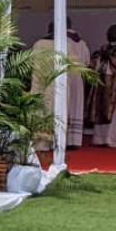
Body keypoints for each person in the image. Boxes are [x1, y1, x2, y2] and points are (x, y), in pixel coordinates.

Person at [31, 18, 90, 149]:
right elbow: (79, 64)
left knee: (41, 112)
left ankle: (41, 144)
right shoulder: (69, 45)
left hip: (41, 83)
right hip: (61, 84)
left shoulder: (38, 44)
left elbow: (31, 63)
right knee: (60, 113)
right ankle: (61, 143)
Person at [87, 24, 116, 147]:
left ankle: (100, 138)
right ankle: (110, 139)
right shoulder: (104, 51)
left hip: (102, 82)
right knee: (111, 111)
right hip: (113, 84)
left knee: (101, 109)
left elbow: (92, 66)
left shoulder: (101, 50)